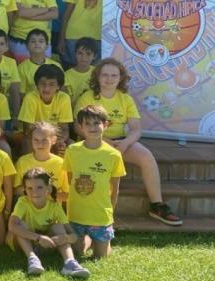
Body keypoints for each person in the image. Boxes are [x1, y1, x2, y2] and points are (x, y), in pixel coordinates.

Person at [74, 59, 180, 225]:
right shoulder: (87, 97)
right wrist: (106, 141)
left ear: (120, 78)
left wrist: (124, 144)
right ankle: (97, 213)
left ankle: (156, 205)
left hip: (120, 143)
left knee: (146, 156)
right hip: (94, 141)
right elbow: (78, 128)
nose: (109, 79)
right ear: (97, 76)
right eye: (105, 75)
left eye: (114, 75)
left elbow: (136, 129)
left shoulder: (125, 99)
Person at [64, 105, 125, 258]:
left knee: (101, 257)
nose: (92, 127)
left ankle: (98, 240)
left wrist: (110, 212)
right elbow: (71, 181)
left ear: (105, 125)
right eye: (87, 124)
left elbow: (115, 187)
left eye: (96, 123)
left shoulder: (114, 155)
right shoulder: (72, 150)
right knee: (77, 253)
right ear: (80, 127)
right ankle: (87, 239)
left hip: (100, 215)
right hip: (76, 213)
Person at [9, 168, 90, 277]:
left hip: (47, 245)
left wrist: (65, 238)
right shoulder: (23, 202)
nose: (34, 192)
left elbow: (73, 235)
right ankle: (32, 259)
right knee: (19, 225)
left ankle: (70, 263)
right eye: (30, 188)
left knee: (58, 227)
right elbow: (12, 226)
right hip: (26, 244)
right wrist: (39, 238)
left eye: (39, 187)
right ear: (25, 189)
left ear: (48, 188)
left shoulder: (54, 206)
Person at [18, 63, 73, 146]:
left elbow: (64, 129)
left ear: (58, 86)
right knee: (27, 142)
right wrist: (47, 141)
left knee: (71, 143)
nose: (46, 88)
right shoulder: (30, 98)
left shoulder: (64, 98)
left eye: (52, 84)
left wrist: (60, 140)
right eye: (43, 83)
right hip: (35, 136)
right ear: (37, 85)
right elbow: (27, 130)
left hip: (54, 136)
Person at [15, 121, 69, 202]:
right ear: (31, 140)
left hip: (52, 212)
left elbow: (67, 195)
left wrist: (49, 193)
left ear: (54, 140)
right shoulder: (22, 162)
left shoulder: (61, 163)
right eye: (36, 140)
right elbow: (16, 191)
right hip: (28, 212)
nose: (40, 144)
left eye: (44, 140)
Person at [64, 38, 96, 103]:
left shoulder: (97, 72)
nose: (84, 57)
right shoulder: (66, 75)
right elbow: (67, 102)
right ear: (75, 54)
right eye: (80, 53)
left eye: (88, 54)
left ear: (94, 56)